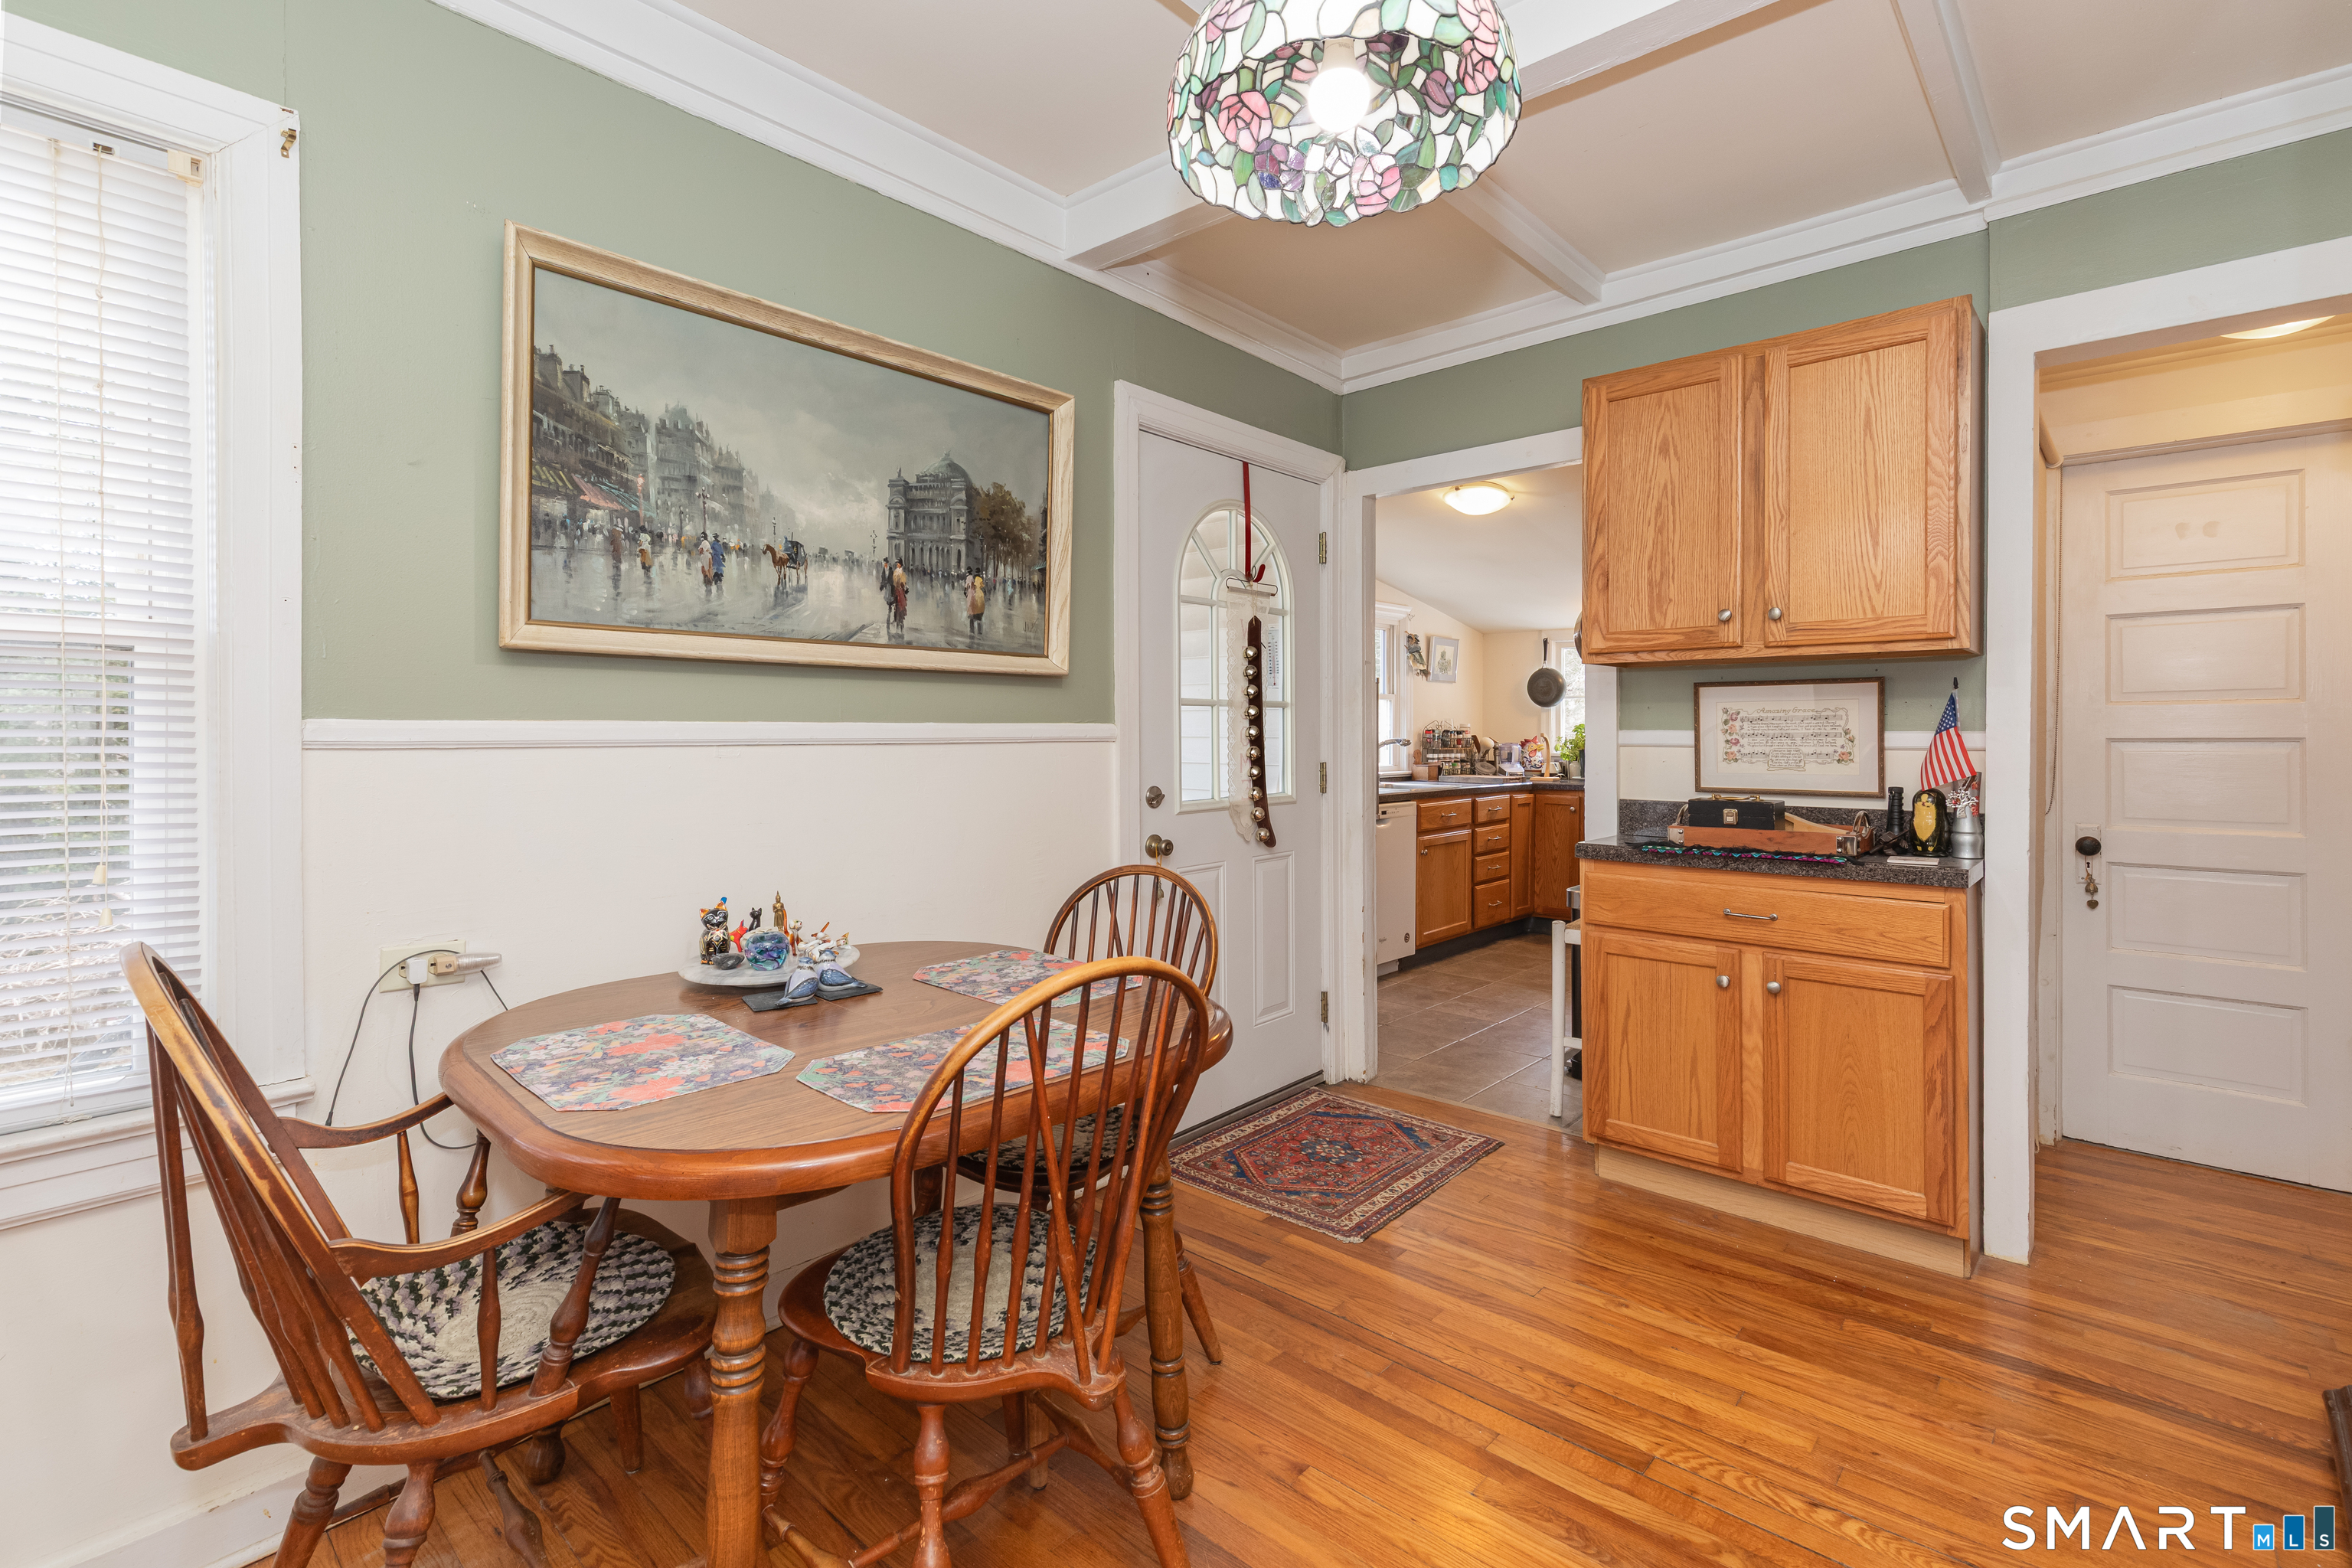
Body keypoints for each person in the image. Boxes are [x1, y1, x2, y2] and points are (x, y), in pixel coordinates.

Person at [966, 570, 986, 639]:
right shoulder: (980, 580)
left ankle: (972, 629)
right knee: (979, 616)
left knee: (972, 614)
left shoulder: (973, 581)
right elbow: (983, 586)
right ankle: (979, 630)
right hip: (980, 597)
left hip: (974, 597)